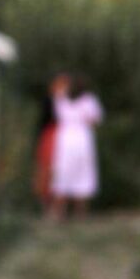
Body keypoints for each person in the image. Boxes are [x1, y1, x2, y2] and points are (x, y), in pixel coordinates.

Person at [50, 75, 103, 219]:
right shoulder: (64, 100)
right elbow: (94, 121)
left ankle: (75, 213)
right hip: (73, 141)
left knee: (77, 174)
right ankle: (65, 213)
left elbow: (94, 120)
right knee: (67, 174)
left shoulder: (86, 101)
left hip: (74, 140)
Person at [33, 74, 69, 214]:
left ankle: (60, 207)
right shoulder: (49, 102)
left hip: (64, 138)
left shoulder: (68, 102)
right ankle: (47, 205)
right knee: (47, 170)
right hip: (50, 137)